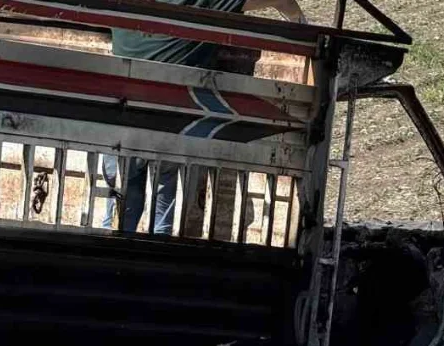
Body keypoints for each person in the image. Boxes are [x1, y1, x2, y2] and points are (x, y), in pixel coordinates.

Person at [102, 0, 306, 234]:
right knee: (164, 203)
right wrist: (300, 21)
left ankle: (112, 250)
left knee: (121, 201)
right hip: (171, 121)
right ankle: (155, 256)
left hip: (122, 117)